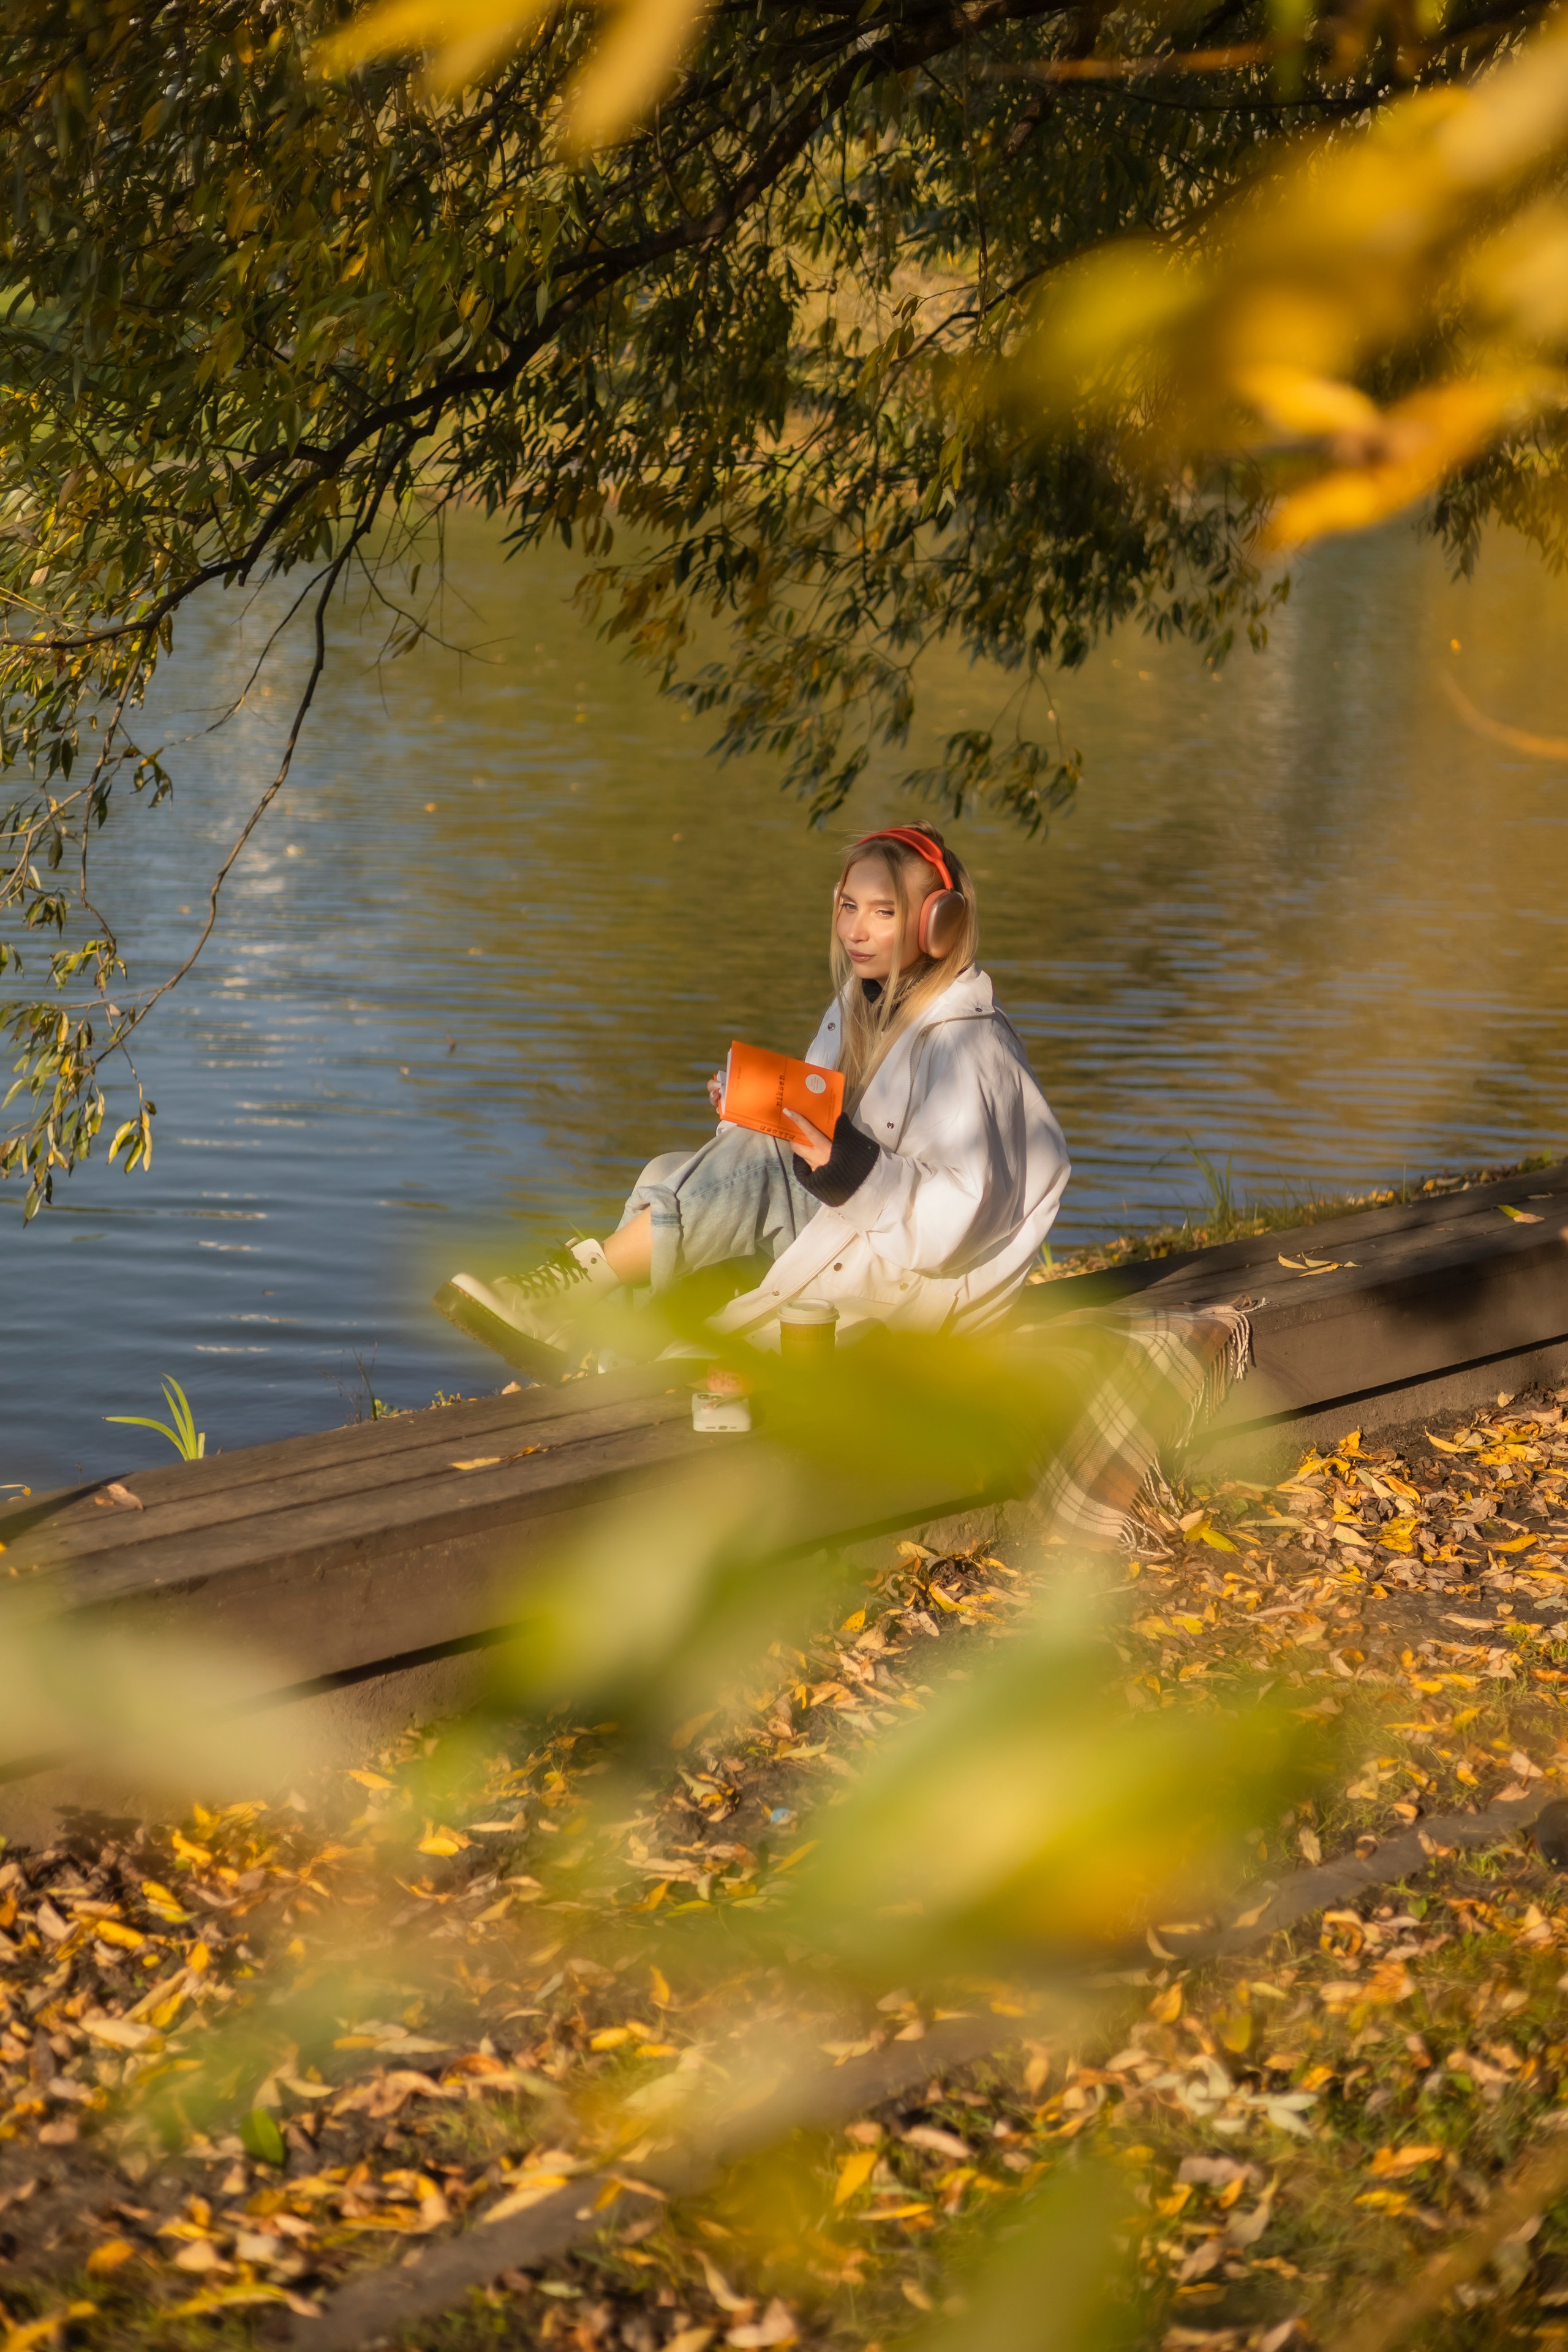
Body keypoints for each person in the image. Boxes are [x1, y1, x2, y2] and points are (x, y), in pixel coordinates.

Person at [434, 824, 1070, 1379]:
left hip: (921, 1286)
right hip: (862, 1234)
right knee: (673, 1171)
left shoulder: (969, 1048)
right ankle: (600, 1339)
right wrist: (756, 1105)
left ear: (939, 922)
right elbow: (824, 1120)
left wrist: (844, 1163)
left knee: (744, 1164)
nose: (855, 929)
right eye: (848, 905)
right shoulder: (862, 1000)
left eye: (883, 912)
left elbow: (950, 1229)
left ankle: (573, 1299)